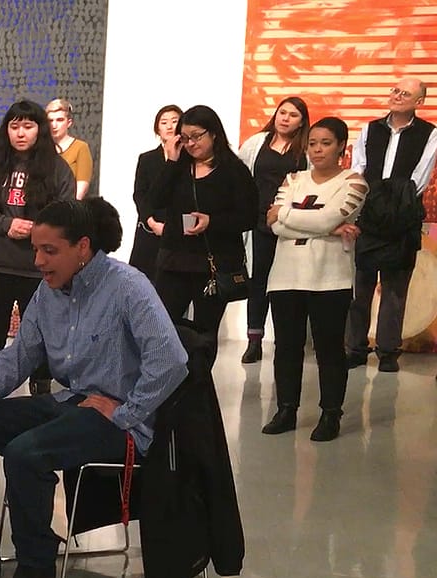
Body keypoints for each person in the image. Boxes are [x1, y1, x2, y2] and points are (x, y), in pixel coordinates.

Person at [0, 197, 188, 578]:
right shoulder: (48, 295)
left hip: (121, 424)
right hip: (75, 403)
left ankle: (36, 563)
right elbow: (15, 359)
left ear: (82, 247)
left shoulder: (128, 286)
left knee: (26, 453)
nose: (39, 261)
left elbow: (172, 361)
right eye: (36, 250)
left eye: (50, 251)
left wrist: (126, 411)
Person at [261, 117, 368, 442]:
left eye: (325, 143)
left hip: (329, 279)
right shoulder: (293, 179)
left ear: (340, 147)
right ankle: (286, 409)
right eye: (312, 143)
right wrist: (328, 229)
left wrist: (296, 218)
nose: (318, 149)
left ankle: (330, 414)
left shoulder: (354, 182)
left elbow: (326, 216)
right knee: (287, 347)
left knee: (328, 349)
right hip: (285, 275)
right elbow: (272, 224)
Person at [0, 100, 75, 393]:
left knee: (41, 334)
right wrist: (6, 224)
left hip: (39, 269)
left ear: (39, 130)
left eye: (28, 126)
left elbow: (67, 213)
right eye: (14, 126)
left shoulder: (57, 169)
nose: (20, 133)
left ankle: (40, 393)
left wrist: (39, 231)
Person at [147, 104, 257, 367]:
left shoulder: (233, 171)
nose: (190, 143)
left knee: (205, 333)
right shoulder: (178, 168)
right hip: (175, 261)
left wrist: (213, 222)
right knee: (162, 325)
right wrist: (172, 161)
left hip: (213, 265)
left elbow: (249, 216)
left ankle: (199, 386)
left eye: (196, 136)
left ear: (214, 134)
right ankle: (165, 383)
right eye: (184, 137)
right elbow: (154, 200)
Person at [346, 77, 437, 373]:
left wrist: (395, 203)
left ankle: (387, 351)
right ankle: (356, 347)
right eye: (395, 91)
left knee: (395, 289)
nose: (397, 96)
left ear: (419, 101)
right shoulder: (370, 129)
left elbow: (419, 179)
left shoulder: (429, 134)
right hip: (369, 216)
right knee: (361, 286)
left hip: (403, 215)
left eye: (405, 93)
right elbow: (357, 170)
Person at [237, 96, 310, 364]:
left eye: (292, 115)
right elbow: (240, 178)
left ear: (302, 121)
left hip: (290, 224)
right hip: (258, 223)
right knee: (258, 281)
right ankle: (254, 339)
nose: (285, 118)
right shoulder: (257, 143)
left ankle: (286, 341)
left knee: (286, 284)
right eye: (282, 112)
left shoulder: (305, 150)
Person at [131, 104, 181, 279]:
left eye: (174, 121)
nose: (169, 126)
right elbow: (139, 194)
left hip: (178, 231)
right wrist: (151, 222)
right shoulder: (147, 159)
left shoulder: (189, 160)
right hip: (149, 229)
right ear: (157, 129)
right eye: (164, 122)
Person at [46, 98, 93, 199]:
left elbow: (81, 188)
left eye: (60, 120)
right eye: (50, 120)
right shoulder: (41, 148)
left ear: (69, 122)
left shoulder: (80, 147)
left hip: (69, 207)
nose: (54, 125)